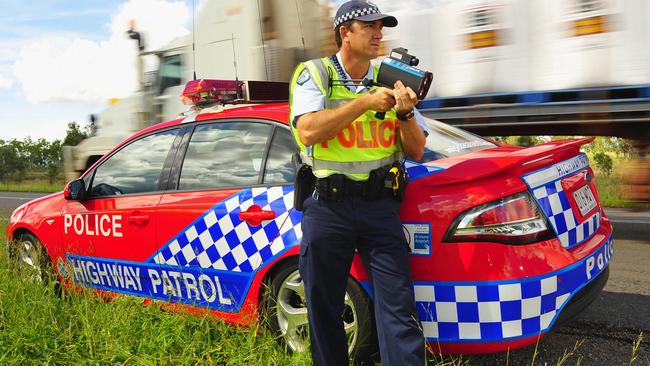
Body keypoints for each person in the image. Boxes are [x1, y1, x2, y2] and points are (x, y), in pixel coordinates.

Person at [288, 1, 428, 365]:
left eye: (381, 27)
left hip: (379, 207)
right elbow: (307, 131)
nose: (378, 33)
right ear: (344, 34)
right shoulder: (314, 73)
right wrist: (364, 103)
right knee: (325, 308)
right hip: (327, 206)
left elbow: (417, 149)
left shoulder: (393, 77)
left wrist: (406, 113)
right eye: (368, 27)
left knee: (398, 308)